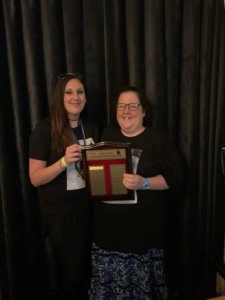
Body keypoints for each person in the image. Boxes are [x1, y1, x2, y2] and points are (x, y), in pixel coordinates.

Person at [90, 86, 184, 300]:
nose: (126, 111)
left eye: (133, 106)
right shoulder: (107, 134)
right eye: (122, 106)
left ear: (144, 112)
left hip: (142, 236)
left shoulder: (158, 140)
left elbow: (175, 178)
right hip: (108, 235)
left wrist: (144, 183)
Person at [29, 73, 99, 300]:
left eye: (80, 92)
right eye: (69, 92)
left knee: (87, 275)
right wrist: (63, 162)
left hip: (89, 212)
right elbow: (35, 178)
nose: (75, 97)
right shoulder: (44, 128)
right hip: (60, 218)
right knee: (69, 278)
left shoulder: (91, 127)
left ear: (86, 98)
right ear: (60, 97)